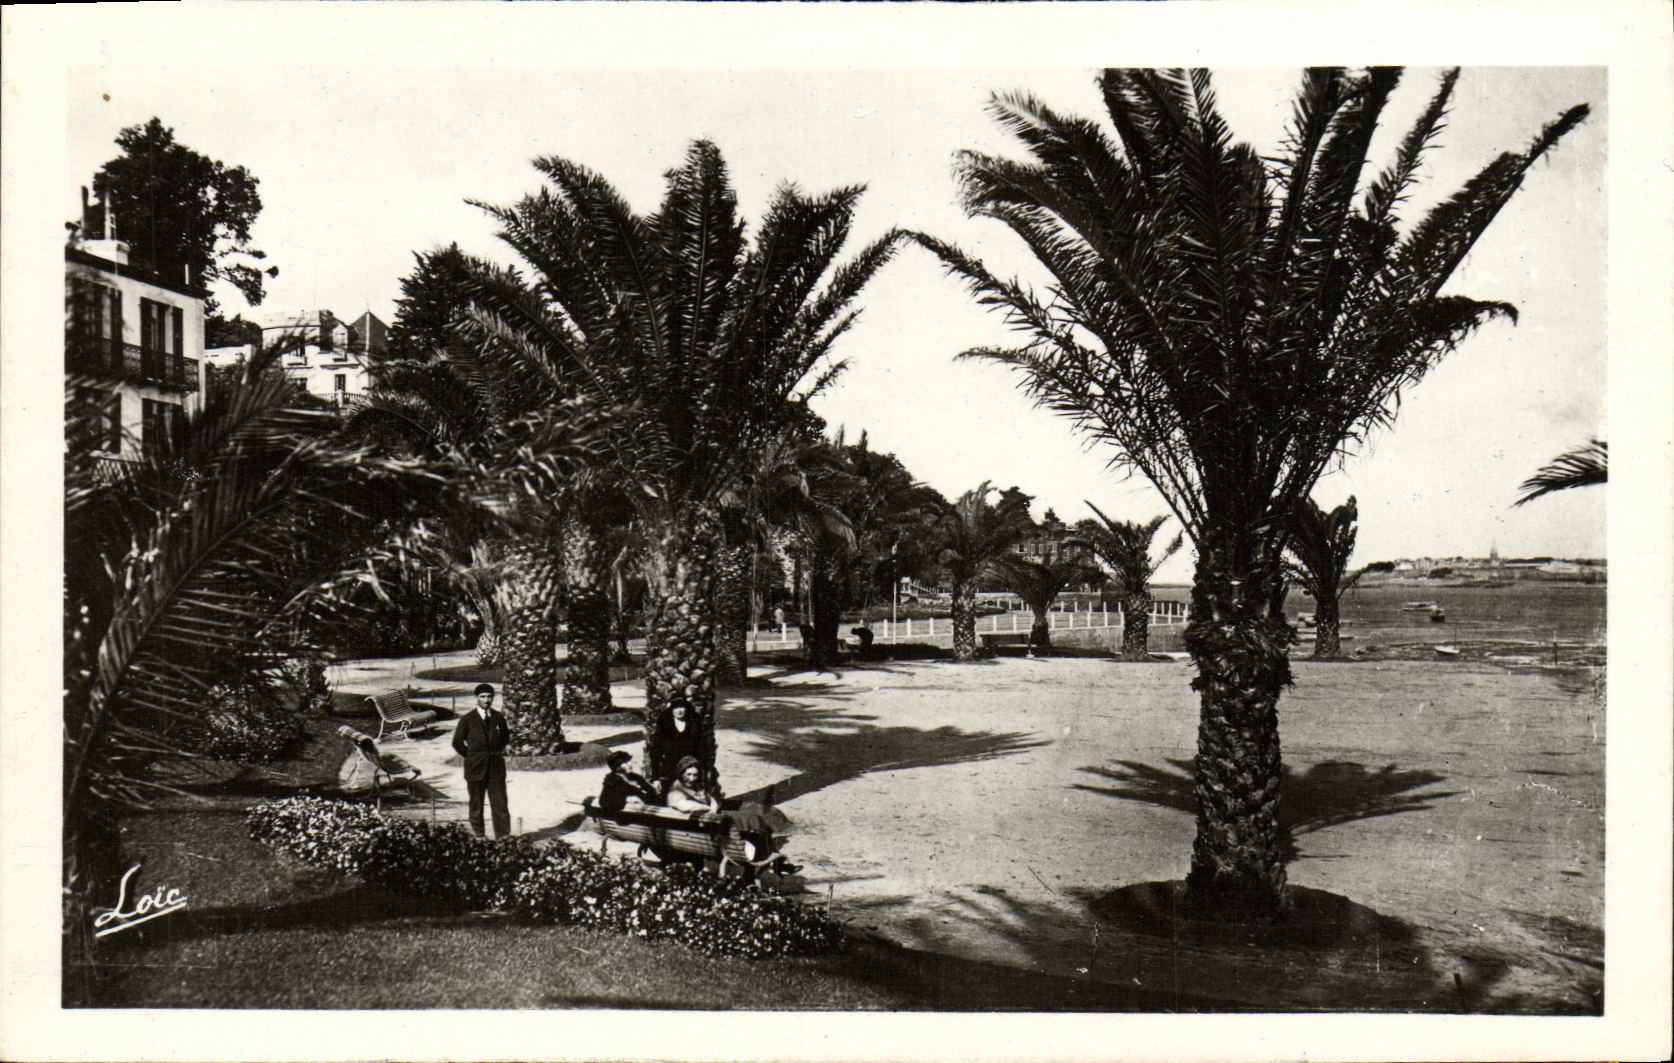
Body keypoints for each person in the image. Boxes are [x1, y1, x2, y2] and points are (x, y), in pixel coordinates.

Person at [452, 682, 511, 838]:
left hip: (496, 769)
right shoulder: (467, 719)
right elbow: (457, 742)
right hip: (475, 769)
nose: (486, 700)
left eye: (489, 697)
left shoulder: (498, 717)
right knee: (476, 805)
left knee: (500, 804)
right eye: (482, 697)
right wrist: (472, 756)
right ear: (476, 698)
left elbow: (505, 737)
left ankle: (503, 837)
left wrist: (496, 752)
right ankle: (479, 836)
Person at [653, 699, 707, 791]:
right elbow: (656, 752)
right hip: (670, 768)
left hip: (690, 769)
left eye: (682, 707)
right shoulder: (664, 724)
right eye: (676, 707)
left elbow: (701, 749)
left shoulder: (694, 723)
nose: (679, 711)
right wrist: (655, 778)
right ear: (671, 709)